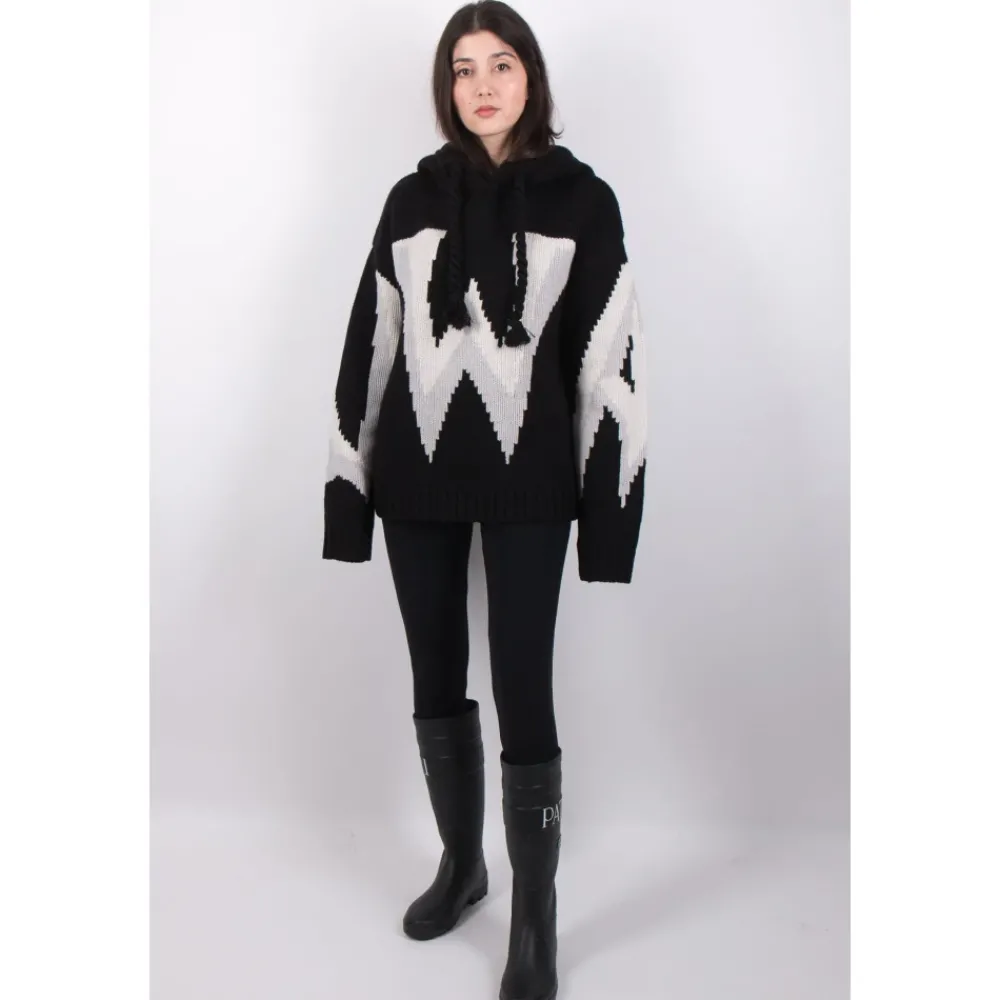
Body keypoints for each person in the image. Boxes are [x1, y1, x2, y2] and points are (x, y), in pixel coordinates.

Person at [322, 3, 647, 998]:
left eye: (500, 64)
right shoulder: (409, 200)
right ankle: (463, 867)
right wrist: (347, 495)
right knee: (434, 674)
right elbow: (369, 345)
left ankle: (534, 920)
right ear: (447, 88)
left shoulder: (584, 202)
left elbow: (609, 363)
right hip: (415, 482)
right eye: (462, 69)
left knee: (522, 685)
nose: (482, 86)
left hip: (531, 485)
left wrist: (609, 521)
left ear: (530, 76)